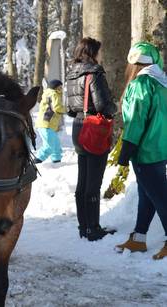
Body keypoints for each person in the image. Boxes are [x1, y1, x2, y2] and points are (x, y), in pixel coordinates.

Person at [114, 42, 167, 260]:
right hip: (160, 149)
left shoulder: (140, 84)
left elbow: (136, 120)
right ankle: (139, 238)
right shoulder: (161, 83)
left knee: (161, 197)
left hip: (145, 151)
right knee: (148, 195)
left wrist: (127, 149)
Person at [65, 37, 117, 241]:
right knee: (93, 183)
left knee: (83, 180)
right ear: (93, 53)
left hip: (78, 128)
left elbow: (70, 109)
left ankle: (83, 226)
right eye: (99, 52)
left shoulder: (71, 74)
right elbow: (103, 104)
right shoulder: (94, 73)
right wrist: (116, 108)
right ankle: (93, 229)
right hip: (93, 129)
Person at [34, 79, 66, 164]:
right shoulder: (54, 94)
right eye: (60, 87)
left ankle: (57, 161)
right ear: (55, 88)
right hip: (46, 124)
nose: (61, 89)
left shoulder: (49, 93)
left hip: (47, 125)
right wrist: (67, 110)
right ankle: (37, 160)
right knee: (49, 146)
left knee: (56, 145)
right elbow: (57, 107)